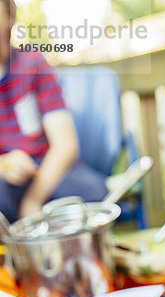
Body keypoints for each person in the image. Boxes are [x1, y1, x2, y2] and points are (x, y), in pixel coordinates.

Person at [0, 0, 108, 223]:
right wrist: (5, 165)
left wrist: (33, 199)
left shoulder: (32, 63)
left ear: (10, 19)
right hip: (6, 182)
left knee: (92, 192)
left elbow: (65, 145)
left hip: (48, 172)